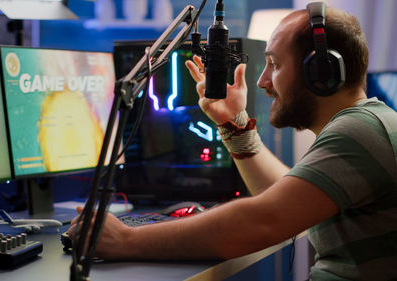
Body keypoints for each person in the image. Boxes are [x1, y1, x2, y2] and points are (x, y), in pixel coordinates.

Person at [68, 3, 397, 280]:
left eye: (275, 64)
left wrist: (126, 239)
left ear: (321, 72)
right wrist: (233, 123)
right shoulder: (367, 124)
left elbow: (263, 220)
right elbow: (285, 198)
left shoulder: (359, 131)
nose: (262, 81)